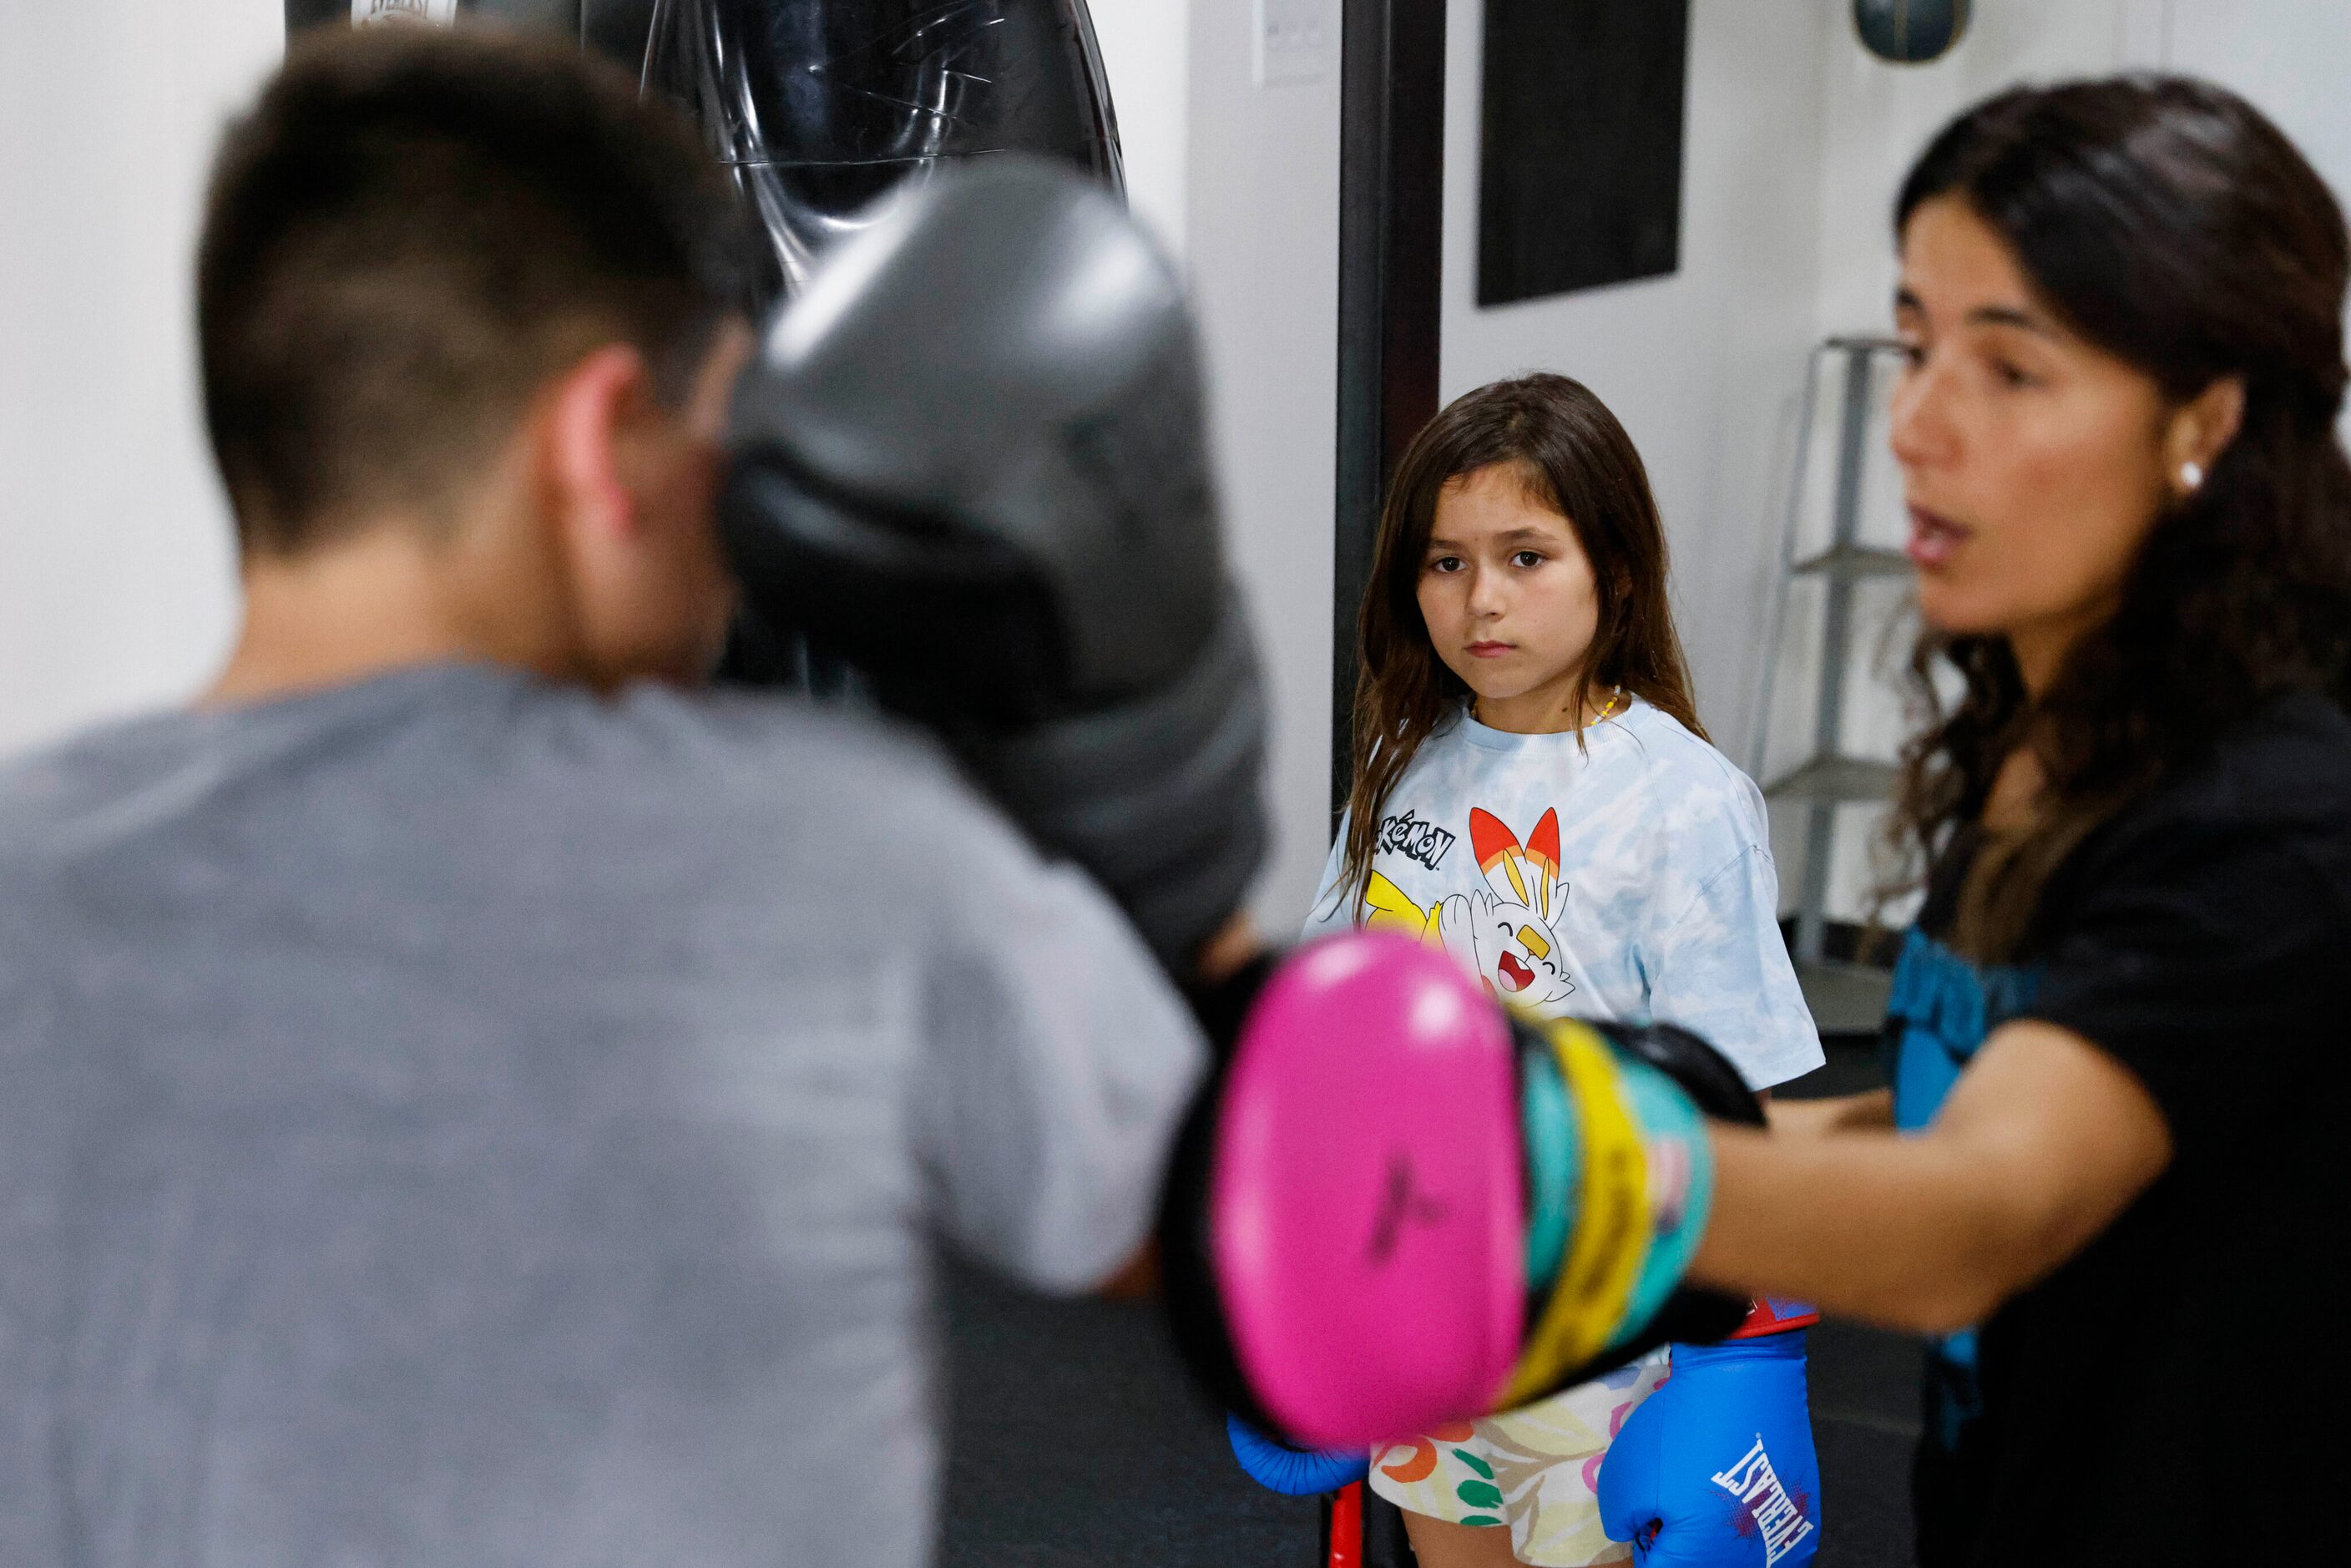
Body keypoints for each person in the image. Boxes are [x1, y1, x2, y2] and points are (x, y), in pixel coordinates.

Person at [0, 29, 1248, 1568]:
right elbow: (1293, 1220)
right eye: (718, 430)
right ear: (603, 443)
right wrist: (1157, 774)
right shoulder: (835, 859)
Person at [1177, 73, 2351, 1568]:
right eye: (1917, 345)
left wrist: (1580, 1232)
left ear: (2205, 421)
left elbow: (1975, 1212)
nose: (1915, 424)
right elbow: (1956, 1095)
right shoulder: (2044, 758)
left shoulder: (2266, 818)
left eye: (2009, 368)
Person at [1300, 375, 1824, 1568]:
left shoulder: (1684, 801)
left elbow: (1745, 1110)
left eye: (1527, 555)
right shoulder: (1401, 766)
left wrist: (1754, 1356)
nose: (1483, 599)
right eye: (1446, 562)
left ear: (1617, 569)